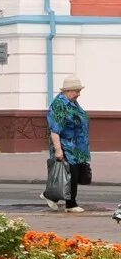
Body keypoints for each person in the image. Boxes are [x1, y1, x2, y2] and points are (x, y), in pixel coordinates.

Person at [47, 75, 91, 215]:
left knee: (72, 174)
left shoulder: (72, 102)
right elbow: (55, 130)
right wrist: (58, 150)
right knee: (71, 174)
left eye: (79, 91)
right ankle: (71, 204)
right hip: (65, 145)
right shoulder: (60, 104)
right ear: (68, 91)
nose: (78, 94)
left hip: (76, 146)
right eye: (76, 91)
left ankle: (50, 195)